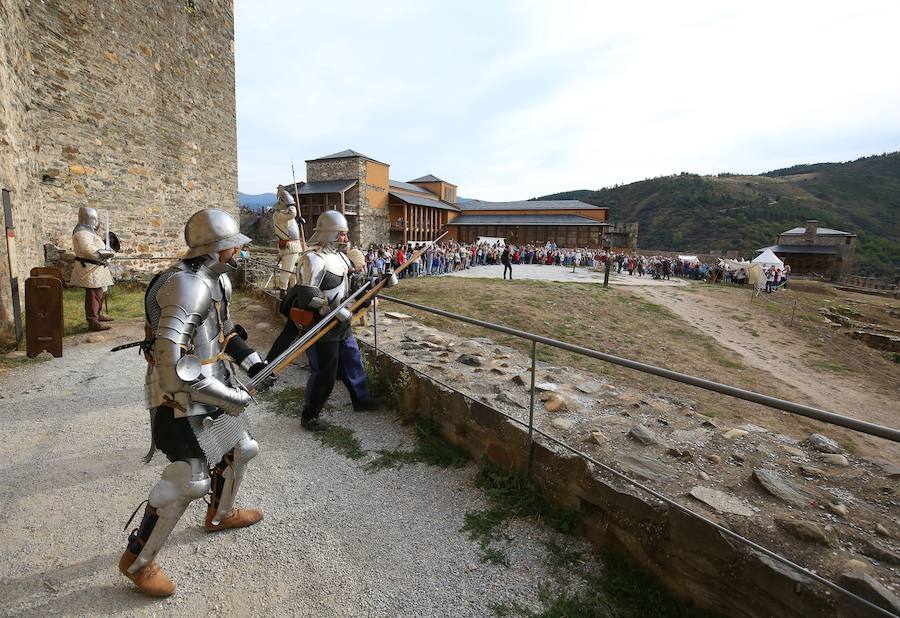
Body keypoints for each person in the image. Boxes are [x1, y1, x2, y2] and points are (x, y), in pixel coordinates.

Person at [118, 208, 273, 597]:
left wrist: (254, 363)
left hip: (211, 381)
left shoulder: (215, 281)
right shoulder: (186, 286)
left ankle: (220, 516)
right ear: (218, 249)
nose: (238, 253)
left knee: (241, 449)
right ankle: (137, 561)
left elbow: (223, 333)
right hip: (178, 398)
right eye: (233, 246)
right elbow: (173, 371)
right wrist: (233, 397)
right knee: (190, 478)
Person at [266, 211, 396, 431]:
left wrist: (377, 283)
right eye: (342, 234)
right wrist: (332, 310)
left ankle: (360, 400)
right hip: (320, 325)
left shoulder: (342, 257)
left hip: (342, 322)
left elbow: (353, 288)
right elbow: (308, 297)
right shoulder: (312, 259)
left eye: (345, 234)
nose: (345, 238)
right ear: (330, 232)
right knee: (325, 372)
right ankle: (310, 415)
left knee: (353, 361)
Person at [70, 206, 116, 331]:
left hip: (96, 267)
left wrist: (108, 252)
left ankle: (97, 315)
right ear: (91, 218)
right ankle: (93, 321)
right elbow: (88, 249)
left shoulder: (88, 231)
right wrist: (106, 254)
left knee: (99, 293)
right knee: (93, 294)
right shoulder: (82, 232)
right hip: (89, 267)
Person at [272, 185, 305, 295]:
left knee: (295, 271)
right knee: (287, 269)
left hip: (294, 246)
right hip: (289, 247)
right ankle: (283, 290)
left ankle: (293, 289)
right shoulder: (278, 215)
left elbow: (290, 222)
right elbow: (292, 213)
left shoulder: (284, 215)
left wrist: (297, 221)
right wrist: (291, 203)